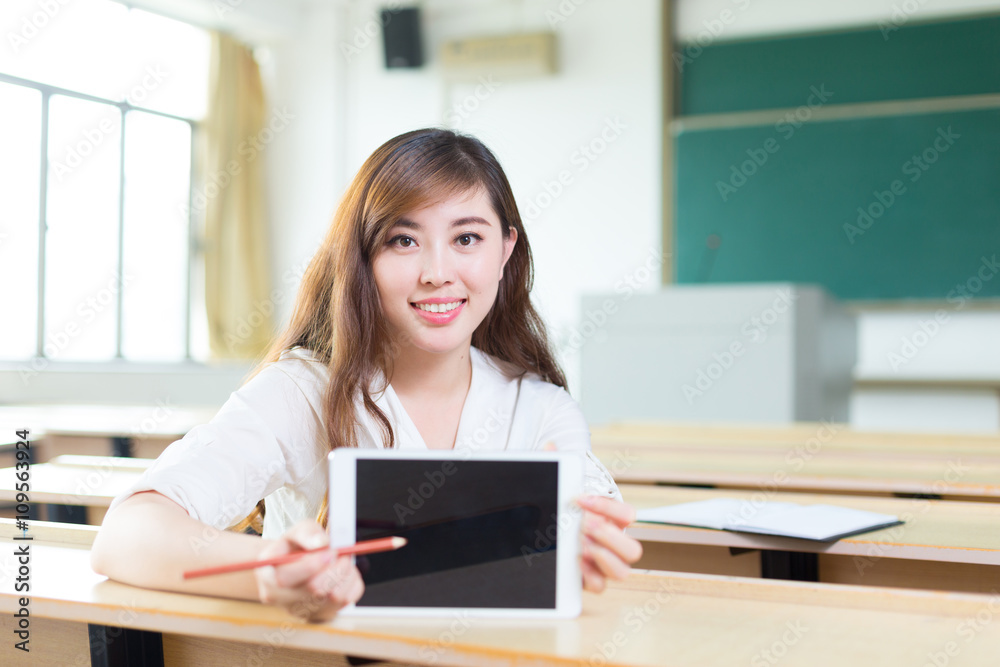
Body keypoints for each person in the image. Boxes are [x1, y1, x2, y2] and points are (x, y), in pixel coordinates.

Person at [91, 128, 643, 621]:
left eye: (466, 238)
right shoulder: (303, 392)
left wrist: (584, 547)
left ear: (505, 250)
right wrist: (266, 570)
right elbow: (124, 536)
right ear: (362, 260)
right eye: (402, 241)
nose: (436, 273)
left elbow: (589, 539)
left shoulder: (541, 408)